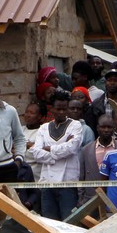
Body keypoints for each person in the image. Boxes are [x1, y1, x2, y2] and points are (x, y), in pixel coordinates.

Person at [30, 91, 83, 220]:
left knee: (69, 222)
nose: (61, 112)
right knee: (50, 222)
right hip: (47, 183)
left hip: (67, 183)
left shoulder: (75, 125)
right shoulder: (43, 128)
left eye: (64, 109)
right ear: (52, 109)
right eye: (58, 109)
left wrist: (49, 149)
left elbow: (72, 147)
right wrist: (60, 149)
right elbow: (36, 153)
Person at [81, 114, 117, 204]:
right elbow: (81, 176)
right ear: (97, 128)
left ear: (114, 128)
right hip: (90, 199)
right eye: (103, 127)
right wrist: (81, 200)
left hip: (114, 197)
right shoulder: (86, 150)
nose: (106, 130)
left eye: (109, 127)